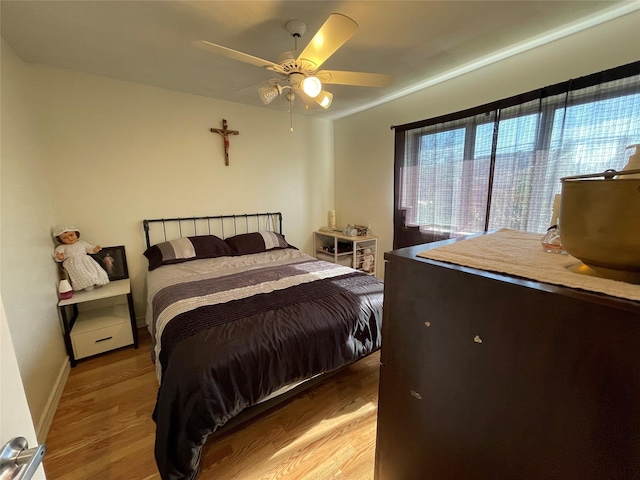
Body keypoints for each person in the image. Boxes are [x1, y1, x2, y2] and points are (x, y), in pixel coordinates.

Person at [53, 226, 109, 291]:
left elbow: (89, 248)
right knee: (81, 274)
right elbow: (58, 256)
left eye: (71, 235)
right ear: (61, 240)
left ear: (76, 234)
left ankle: (98, 280)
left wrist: (94, 249)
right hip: (73, 263)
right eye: (65, 238)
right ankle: (87, 285)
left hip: (86, 260)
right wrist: (60, 257)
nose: (69, 238)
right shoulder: (62, 247)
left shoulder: (82, 243)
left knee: (93, 270)